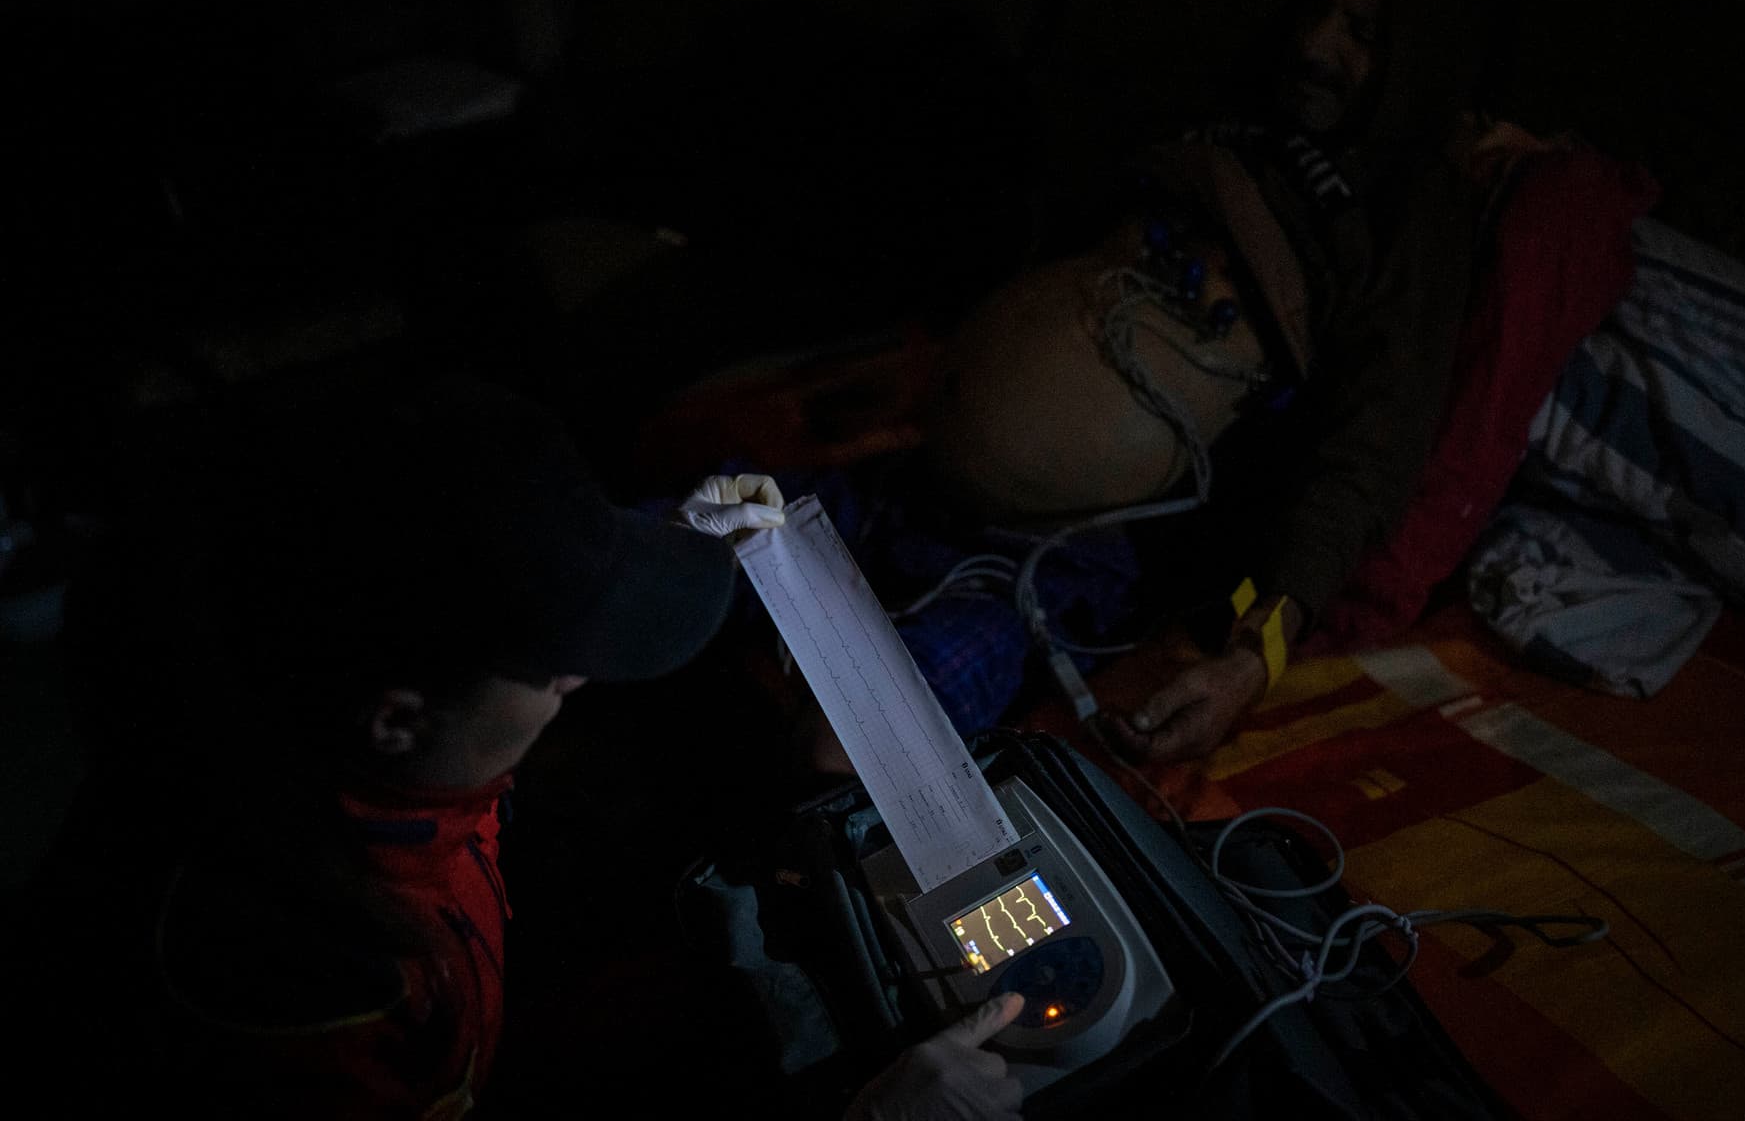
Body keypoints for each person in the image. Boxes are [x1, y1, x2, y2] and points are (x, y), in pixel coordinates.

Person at [7, 377, 1024, 1118]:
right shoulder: (292, 990)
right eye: (556, 663)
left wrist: (668, 548)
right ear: (397, 717)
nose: (577, 681)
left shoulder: (298, 664)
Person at [905, 0, 1519, 762]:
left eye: (1360, 32)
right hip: (910, 466)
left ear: (1418, 60)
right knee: (706, 537)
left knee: (856, 735)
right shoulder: (1237, 111)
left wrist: (1250, 662)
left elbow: (1368, 460)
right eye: (1315, 10)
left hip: (1064, 561)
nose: (1314, 45)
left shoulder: (1410, 217)